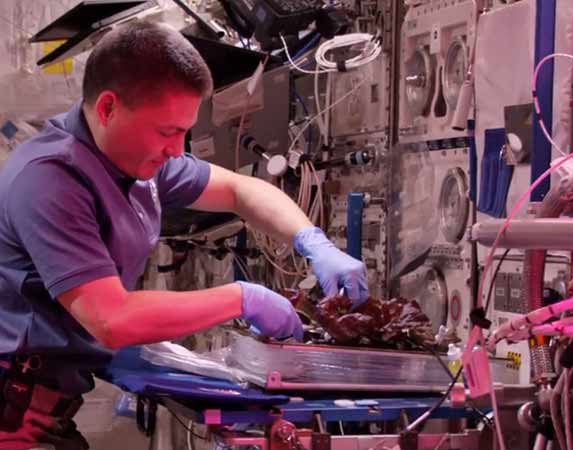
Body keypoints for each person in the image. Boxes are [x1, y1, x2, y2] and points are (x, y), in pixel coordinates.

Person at [0, 20, 368, 450]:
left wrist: (312, 241)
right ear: (107, 108)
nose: (177, 149)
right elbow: (113, 319)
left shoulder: (136, 159)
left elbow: (240, 190)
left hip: (48, 406)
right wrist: (243, 298)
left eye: (184, 131)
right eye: (167, 132)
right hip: (13, 414)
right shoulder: (51, 179)